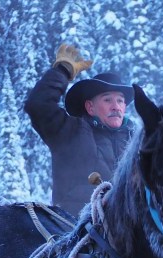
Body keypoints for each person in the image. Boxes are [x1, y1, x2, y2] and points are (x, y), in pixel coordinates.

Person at [24, 43, 135, 216]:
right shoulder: (70, 132)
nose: (116, 107)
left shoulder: (135, 141)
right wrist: (62, 71)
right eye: (107, 100)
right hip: (75, 231)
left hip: (126, 235)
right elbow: (39, 105)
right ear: (90, 107)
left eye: (120, 101)